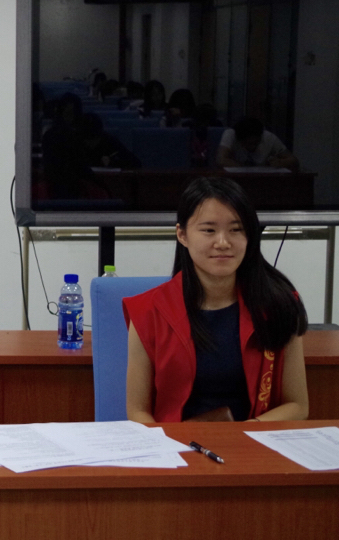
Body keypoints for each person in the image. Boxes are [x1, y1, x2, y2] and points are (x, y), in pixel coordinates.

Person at [124, 176, 308, 422]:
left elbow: (297, 405)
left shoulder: (279, 305)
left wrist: (244, 433)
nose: (223, 243)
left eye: (236, 230)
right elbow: (137, 412)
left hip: (254, 439)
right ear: (182, 235)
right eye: (209, 230)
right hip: (174, 442)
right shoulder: (148, 311)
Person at [216, 117, 299, 170]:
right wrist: (243, 168)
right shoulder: (230, 135)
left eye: (256, 143)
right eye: (248, 143)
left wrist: (280, 162)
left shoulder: (269, 138)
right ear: (239, 140)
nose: (252, 147)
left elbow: (294, 161)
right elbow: (221, 160)